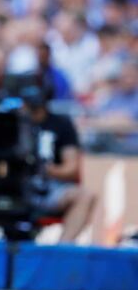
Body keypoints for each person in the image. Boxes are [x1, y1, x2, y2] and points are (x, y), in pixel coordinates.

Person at [21, 86, 95, 242]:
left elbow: (72, 168)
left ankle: (61, 251)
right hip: (16, 186)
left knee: (85, 196)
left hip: (49, 187)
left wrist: (45, 169)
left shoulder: (61, 124)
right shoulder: (13, 122)